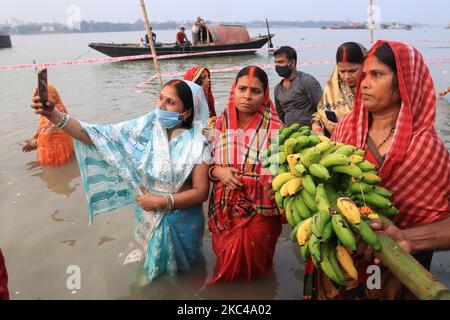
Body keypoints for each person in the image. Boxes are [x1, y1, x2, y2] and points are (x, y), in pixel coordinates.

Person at [304, 41, 450, 300]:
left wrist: (408, 237)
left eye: (377, 75)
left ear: (404, 82)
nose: (364, 83)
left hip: (395, 269)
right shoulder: (347, 128)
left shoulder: (425, 148)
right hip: (341, 260)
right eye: (364, 76)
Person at [30, 80, 212, 283]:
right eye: (160, 97)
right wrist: (53, 115)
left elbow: (201, 191)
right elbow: (95, 135)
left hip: (183, 222)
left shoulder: (197, 143)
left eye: (170, 102)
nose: (160, 106)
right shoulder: (145, 129)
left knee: (184, 277)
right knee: (152, 272)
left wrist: (161, 202)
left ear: (185, 112)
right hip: (149, 217)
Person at [208, 66, 284, 282]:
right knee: (224, 265)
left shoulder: (276, 128)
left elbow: (278, 175)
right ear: (234, 89)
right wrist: (218, 171)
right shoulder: (221, 121)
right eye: (242, 89)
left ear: (265, 94)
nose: (247, 96)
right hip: (225, 209)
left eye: (255, 91)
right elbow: (206, 165)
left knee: (257, 272)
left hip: (260, 212)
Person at [311, 42, 366, 136]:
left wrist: (343, 128)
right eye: (342, 71)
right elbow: (320, 115)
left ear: (364, 65)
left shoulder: (373, 89)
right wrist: (317, 127)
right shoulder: (331, 88)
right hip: (336, 146)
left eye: (352, 71)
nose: (347, 76)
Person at [22, 85, 74, 166]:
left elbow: (48, 134)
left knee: (53, 172)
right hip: (64, 148)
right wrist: (34, 137)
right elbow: (45, 127)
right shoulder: (59, 107)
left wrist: (33, 143)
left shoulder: (54, 111)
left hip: (55, 152)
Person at [274, 46, 322, 127]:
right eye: (276, 62)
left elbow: (322, 107)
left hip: (310, 132)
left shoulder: (306, 81)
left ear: (292, 63)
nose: (277, 66)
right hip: (290, 134)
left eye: (281, 62)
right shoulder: (278, 89)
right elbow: (280, 115)